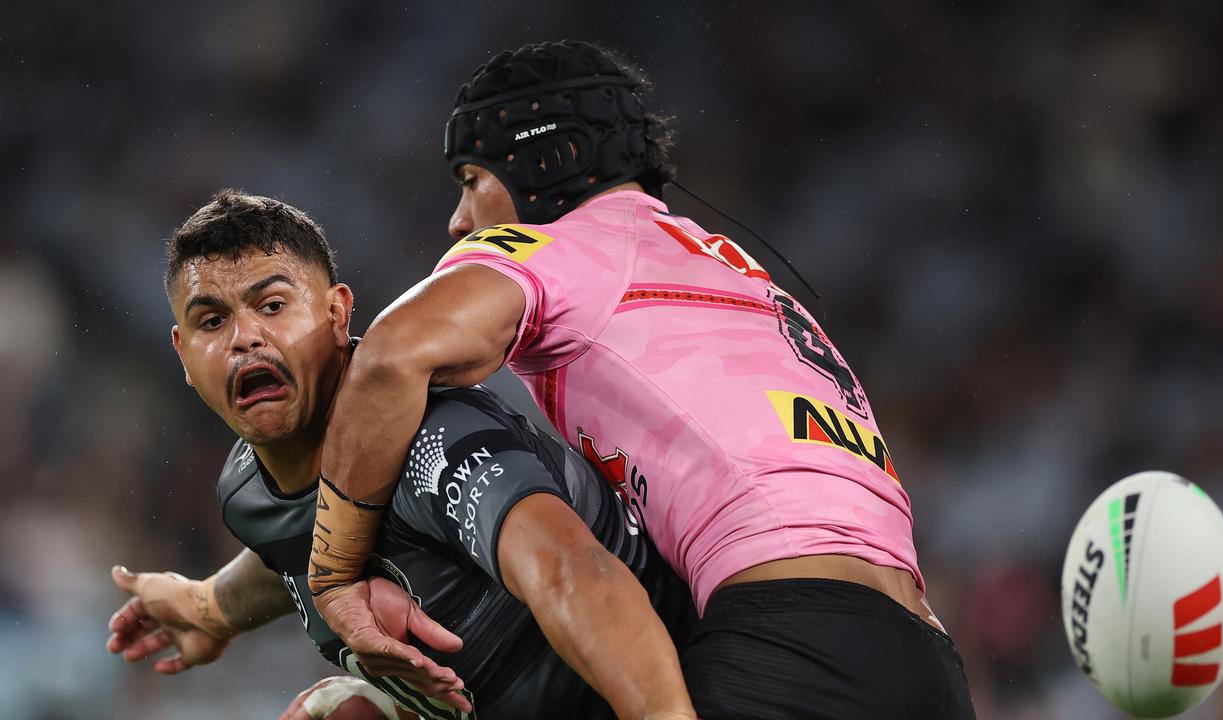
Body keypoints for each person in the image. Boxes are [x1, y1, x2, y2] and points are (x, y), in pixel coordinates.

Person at [307, 40, 976, 719]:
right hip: (927, 656)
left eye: (472, 181)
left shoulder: (562, 245)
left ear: (544, 163)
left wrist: (333, 578)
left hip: (792, 638)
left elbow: (390, 359)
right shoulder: (739, 272)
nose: (458, 220)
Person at [106, 190, 697, 720]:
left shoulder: (436, 440)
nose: (244, 339)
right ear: (183, 354)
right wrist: (210, 608)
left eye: (273, 306)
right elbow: (290, 547)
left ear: (338, 314)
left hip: (687, 682)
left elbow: (575, 572)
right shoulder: (245, 490)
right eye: (212, 321)